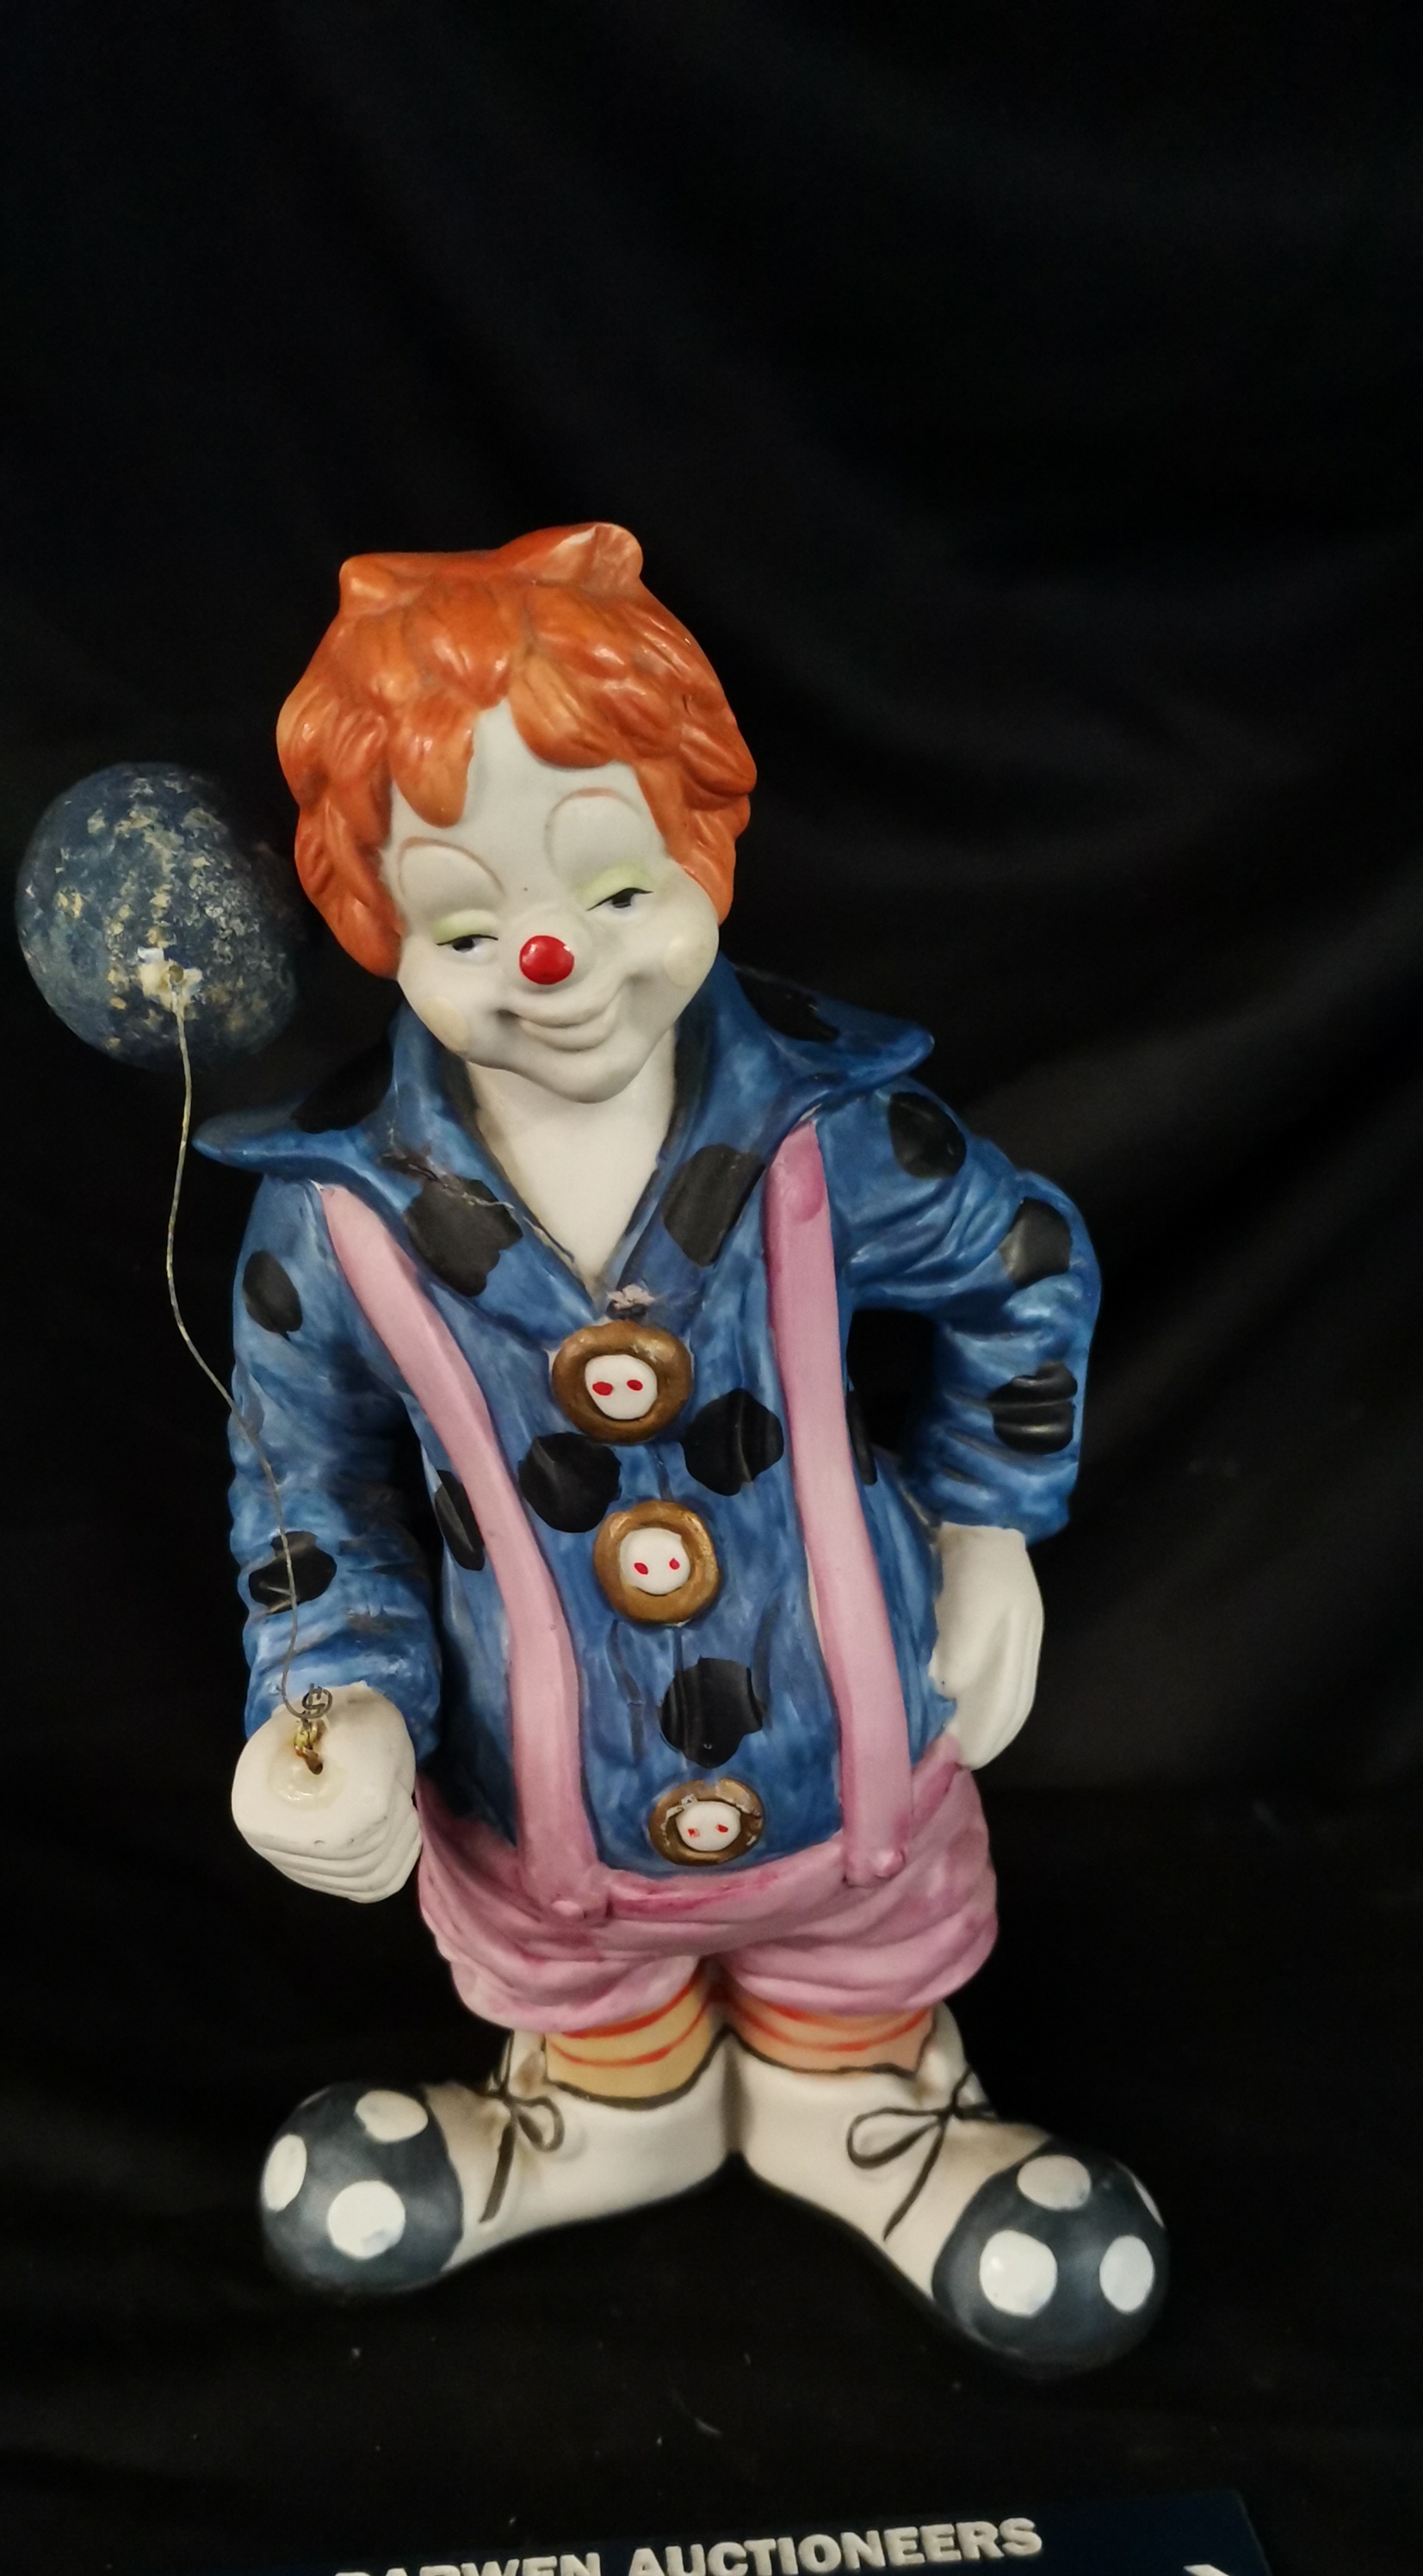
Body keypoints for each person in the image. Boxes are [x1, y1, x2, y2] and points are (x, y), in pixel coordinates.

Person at [202, 521, 1165, 2372]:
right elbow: (299, 1473)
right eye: (466, 928)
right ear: (377, 924)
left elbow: (1019, 1262)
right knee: (574, 1965)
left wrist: (987, 1529)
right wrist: (337, 1699)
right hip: (538, 1790)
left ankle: (855, 2102)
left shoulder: (827, 1127)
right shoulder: (335, 1217)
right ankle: (605, 2106)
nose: (548, 960)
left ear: (704, 846)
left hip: (846, 1740)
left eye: (615, 890)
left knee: (860, 1941)